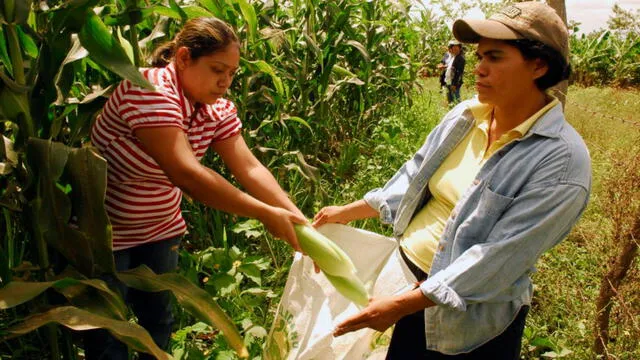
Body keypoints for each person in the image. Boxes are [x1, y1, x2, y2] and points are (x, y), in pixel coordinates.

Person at [313, 2, 590, 359]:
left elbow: (497, 260)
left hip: (462, 314)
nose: (479, 69)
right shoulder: (466, 115)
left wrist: (401, 306)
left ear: (539, 65)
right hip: (402, 279)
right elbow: (415, 175)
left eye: (494, 58)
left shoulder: (561, 162)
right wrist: (346, 212)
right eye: (478, 58)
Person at [87, 17, 306, 359]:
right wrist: (264, 213)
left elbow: (248, 167)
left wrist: (297, 220)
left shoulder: (215, 109)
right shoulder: (149, 88)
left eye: (232, 73)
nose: (226, 82)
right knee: (107, 331)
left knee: (158, 321)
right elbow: (185, 173)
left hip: (160, 230)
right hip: (106, 234)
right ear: (184, 58)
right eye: (218, 69)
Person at [444, 39, 466, 105]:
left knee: (456, 100)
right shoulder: (453, 57)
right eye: (453, 48)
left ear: (460, 48)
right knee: (450, 99)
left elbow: (459, 72)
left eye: (457, 48)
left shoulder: (461, 59)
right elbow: (451, 68)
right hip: (449, 81)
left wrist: (454, 84)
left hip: (454, 83)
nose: (455, 50)